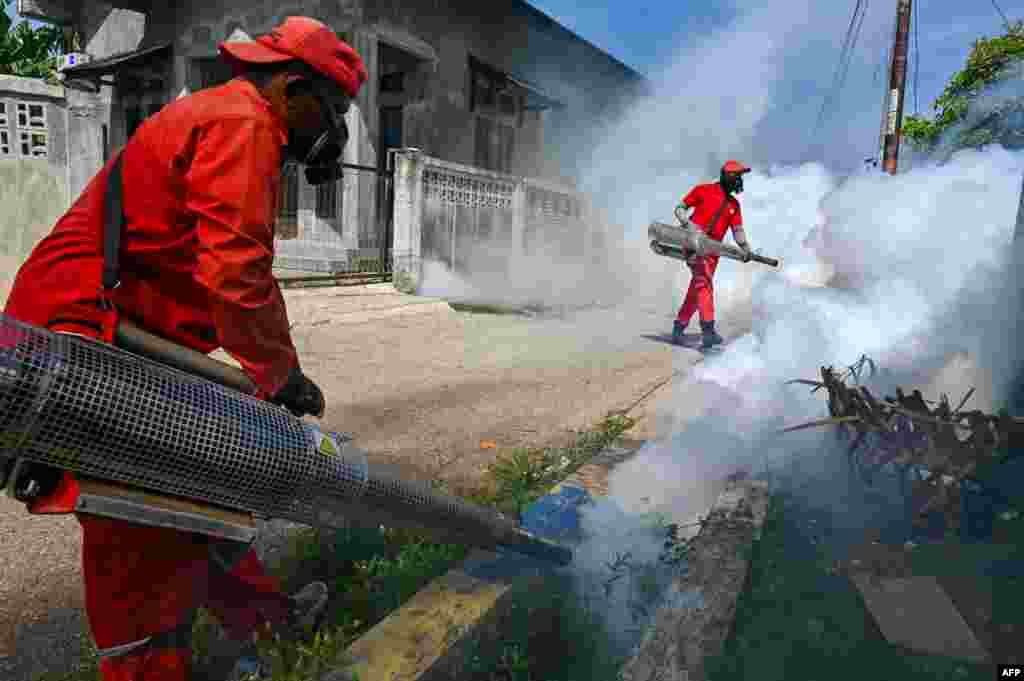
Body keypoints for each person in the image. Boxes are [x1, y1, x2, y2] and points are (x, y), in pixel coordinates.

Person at [3, 16, 367, 680]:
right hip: (85, 327)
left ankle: (264, 621)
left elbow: (222, 266)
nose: (336, 130)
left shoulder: (234, 118)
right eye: (334, 109)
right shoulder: (246, 123)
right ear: (294, 88)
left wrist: (273, 366)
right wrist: (282, 375)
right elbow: (237, 274)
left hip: (123, 329)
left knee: (201, 479)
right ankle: (151, 669)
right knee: (139, 525)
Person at [671, 160, 754, 349]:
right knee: (704, 284)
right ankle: (707, 331)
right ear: (728, 177)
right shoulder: (703, 190)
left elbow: (738, 230)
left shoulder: (734, 205)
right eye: (738, 176)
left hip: (713, 251)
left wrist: (745, 248)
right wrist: (688, 225)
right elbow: (680, 209)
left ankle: (679, 326)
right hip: (693, 243)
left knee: (698, 287)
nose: (739, 180)